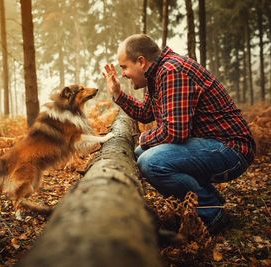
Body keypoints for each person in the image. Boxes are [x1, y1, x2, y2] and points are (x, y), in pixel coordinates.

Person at [103, 34, 256, 234]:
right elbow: (145, 114)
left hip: (231, 149)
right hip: (211, 145)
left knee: (151, 162)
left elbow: (175, 132)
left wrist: (144, 138)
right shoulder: (157, 74)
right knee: (142, 152)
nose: (123, 74)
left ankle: (211, 213)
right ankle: (210, 200)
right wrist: (117, 93)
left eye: (124, 67)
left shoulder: (172, 71)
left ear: (141, 61)